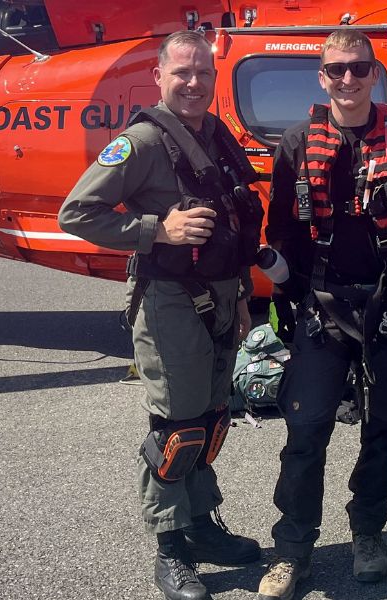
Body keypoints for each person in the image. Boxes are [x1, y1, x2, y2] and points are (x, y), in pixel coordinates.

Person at [59, 30, 263, 600]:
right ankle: (170, 548)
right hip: (170, 299)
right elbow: (76, 213)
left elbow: (232, 222)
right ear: (161, 77)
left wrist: (243, 294)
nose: (194, 83)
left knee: (212, 416)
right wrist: (155, 230)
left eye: (203, 73)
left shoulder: (217, 137)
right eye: (182, 73)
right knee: (176, 423)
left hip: (222, 294)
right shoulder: (143, 142)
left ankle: (200, 526)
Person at [255, 29, 387, 600]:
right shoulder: (295, 143)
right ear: (321, 76)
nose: (348, 80)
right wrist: (281, 297)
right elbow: (281, 226)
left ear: (375, 73)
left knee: (383, 428)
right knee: (306, 430)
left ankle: (368, 533)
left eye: (359, 69)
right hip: (320, 306)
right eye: (337, 70)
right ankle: (292, 551)